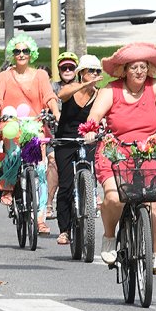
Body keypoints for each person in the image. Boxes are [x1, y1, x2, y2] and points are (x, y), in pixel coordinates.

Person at [85, 42, 156, 274]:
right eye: (133, 67)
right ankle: (110, 236)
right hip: (115, 151)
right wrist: (91, 128)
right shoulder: (111, 90)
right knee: (115, 197)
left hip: (148, 150)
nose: (139, 71)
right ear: (124, 70)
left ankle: (155, 253)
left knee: (154, 200)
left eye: (143, 67)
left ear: (149, 69)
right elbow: (95, 115)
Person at [0, 34, 60, 235]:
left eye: (25, 51)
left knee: (40, 172)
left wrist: (56, 112)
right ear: (13, 54)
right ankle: (8, 185)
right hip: (12, 125)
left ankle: (40, 219)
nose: (21, 54)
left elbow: (49, 96)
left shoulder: (40, 75)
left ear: (31, 54)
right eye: (17, 51)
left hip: (35, 125)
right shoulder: (4, 76)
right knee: (13, 155)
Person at [53, 55, 103, 245]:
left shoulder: (99, 95)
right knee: (65, 185)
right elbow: (62, 95)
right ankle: (64, 229)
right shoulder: (71, 88)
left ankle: (90, 200)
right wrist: (84, 85)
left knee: (91, 174)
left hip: (87, 139)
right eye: (91, 71)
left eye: (98, 71)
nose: (95, 75)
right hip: (65, 140)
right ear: (81, 73)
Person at [46, 51, 79, 220]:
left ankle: (92, 194)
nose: (67, 70)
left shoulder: (83, 85)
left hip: (79, 135)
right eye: (63, 67)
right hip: (56, 135)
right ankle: (49, 203)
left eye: (71, 67)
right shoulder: (52, 87)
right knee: (52, 161)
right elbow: (45, 102)